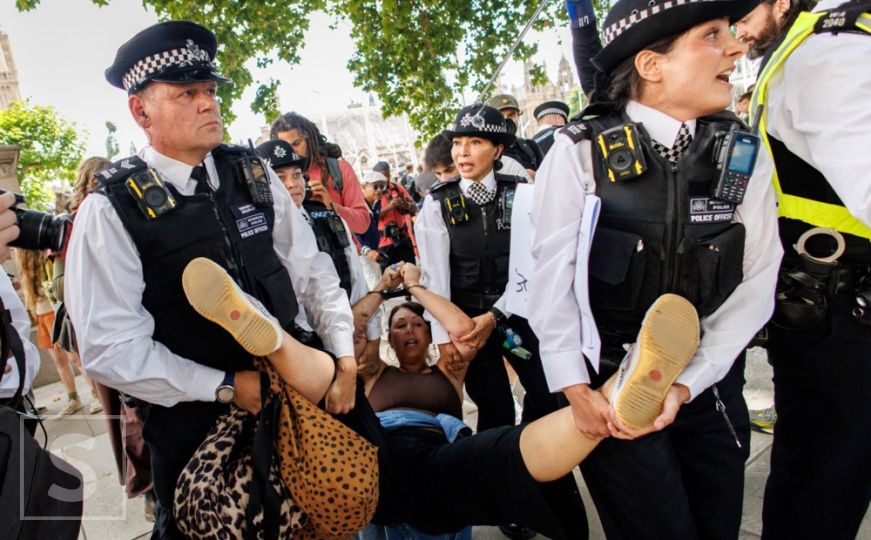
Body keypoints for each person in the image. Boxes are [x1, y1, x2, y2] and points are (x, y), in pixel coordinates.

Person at [64, 21, 356, 539]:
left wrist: (344, 357)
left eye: (211, 91)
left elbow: (312, 272)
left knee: (331, 513)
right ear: (141, 111)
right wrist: (223, 386)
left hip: (294, 401)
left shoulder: (252, 172)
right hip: (196, 429)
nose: (208, 104)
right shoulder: (111, 208)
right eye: (187, 94)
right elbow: (110, 349)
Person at [182, 254, 701, 540]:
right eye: (399, 327)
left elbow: (460, 326)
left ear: (428, 336)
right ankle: (270, 336)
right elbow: (354, 324)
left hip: (439, 458)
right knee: (334, 384)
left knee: (505, 453)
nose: (409, 331)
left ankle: (622, 389)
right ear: (388, 338)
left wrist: (417, 289)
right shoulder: (372, 369)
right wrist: (386, 291)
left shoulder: (450, 366)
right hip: (370, 457)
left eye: (416, 326)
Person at [529, 1, 783, 538]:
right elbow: (551, 278)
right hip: (614, 391)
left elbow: (760, 275)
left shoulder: (742, 152)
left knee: (716, 525)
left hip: (709, 384)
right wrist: (574, 390)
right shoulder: (579, 150)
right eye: (713, 35)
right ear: (651, 65)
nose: (737, 48)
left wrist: (687, 382)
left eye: (732, 33)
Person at [415, 104, 588, 540]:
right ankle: (507, 499)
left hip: (521, 316)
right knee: (493, 410)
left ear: (499, 148)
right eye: (457, 143)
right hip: (468, 330)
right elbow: (435, 277)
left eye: (474, 142)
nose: (462, 152)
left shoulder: (524, 193)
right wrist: (447, 339)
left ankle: (535, 456)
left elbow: (537, 262)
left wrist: (498, 314)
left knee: (551, 394)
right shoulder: (436, 204)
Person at [739, 1, 871, 538]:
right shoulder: (830, 49)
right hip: (838, 304)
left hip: (830, 299)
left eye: (738, 11)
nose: (735, 30)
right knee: (827, 478)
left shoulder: (822, 43)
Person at [256, 138, 383, 367]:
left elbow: (356, 279)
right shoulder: (260, 233)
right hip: (303, 352)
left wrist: (373, 338)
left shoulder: (328, 217)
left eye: (296, 175)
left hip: (349, 337)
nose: (292, 184)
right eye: (279, 178)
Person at [14, 248, 101, 416]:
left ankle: (96, 394)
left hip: (55, 312)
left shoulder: (45, 255)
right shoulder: (24, 264)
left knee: (75, 358)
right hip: (42, 315)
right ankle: (73, 398)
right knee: (59, 361)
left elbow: (56, 288)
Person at [270, 111, 371, 235]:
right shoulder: (272, 178)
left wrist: (331, 206)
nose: (292, 151)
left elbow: (362, 224)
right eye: (285, 146)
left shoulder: (340, 169)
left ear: (310, 140)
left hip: (344, 252)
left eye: (296, 143)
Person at [358, 170, 418, 272]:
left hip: (399, 239)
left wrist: (405, 205)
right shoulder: (360, 204)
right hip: (378, 246)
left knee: (410, 272)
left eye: (382, 186)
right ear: (364, 187)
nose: (380, 190)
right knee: (384, 279)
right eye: (375, 187)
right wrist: (367, 251)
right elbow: (356, 231)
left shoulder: (380, 198)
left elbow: (413, 206)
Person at [487, 94, 545, 176]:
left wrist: (536, 177)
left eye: (511, 115)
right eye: (501, 116)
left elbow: (549, 180)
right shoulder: (485, 151)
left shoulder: (530, 147)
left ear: (518, 116)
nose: (507, 120)